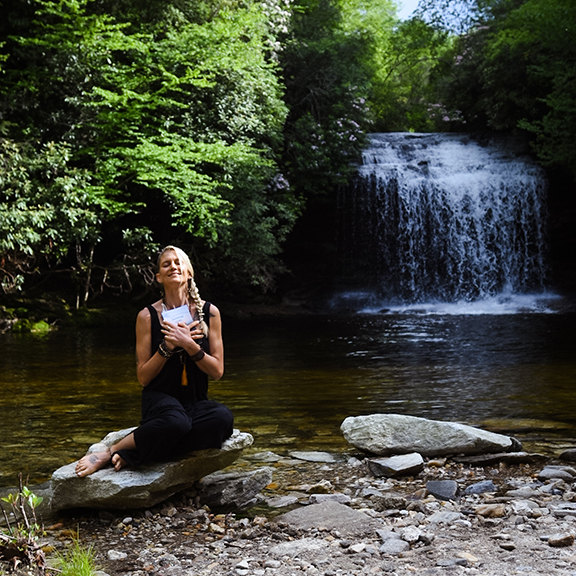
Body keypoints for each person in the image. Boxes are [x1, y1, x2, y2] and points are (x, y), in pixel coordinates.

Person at [75, 245, 234, 477]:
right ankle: (111, 450)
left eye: (178, 262)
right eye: (166, 263)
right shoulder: (147, 316)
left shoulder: (209, 313)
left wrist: (189, 345)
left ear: (188, 272)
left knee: (222, 419)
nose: (173, 267)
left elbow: (217, 371)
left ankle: (134, 453)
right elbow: (143, 377)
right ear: (159, 276)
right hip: (160, 400)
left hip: (195, 400)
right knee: (176, 423)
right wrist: (168, 346)